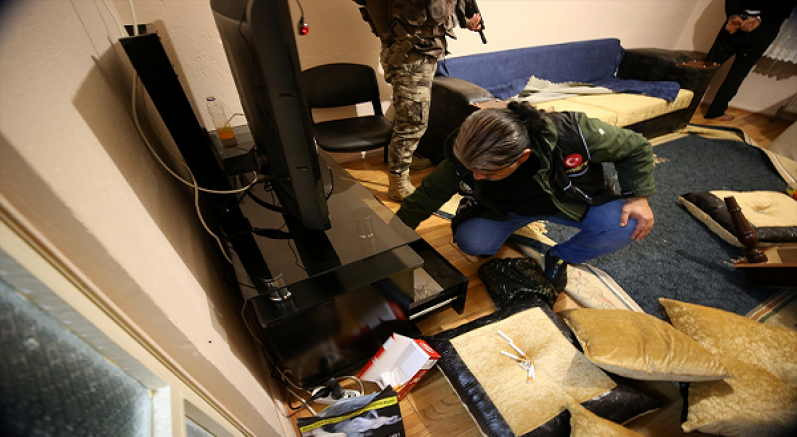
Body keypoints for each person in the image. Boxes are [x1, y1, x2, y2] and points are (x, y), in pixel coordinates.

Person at [396, 101, 656, 291]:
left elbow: (637, 147)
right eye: (471, 170)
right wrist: (391, 244)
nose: (475, 177)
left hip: (569, 200)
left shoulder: (575, 133)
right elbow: (426, 197)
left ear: (522, 157)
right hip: (506, 208)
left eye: (486, 172)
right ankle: (491, 218)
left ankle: (561, 256)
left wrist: (639, 198)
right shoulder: (471, 152)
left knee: (630, 224)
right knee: (473, 243)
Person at [352, 0, 483, 201]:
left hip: (418, 50)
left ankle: (405, 159)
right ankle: (398, 181)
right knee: (413, 119)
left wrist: (465, 19)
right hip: (410, 53)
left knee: (407, 112)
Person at [703, 0, 797, 120]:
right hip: (760, 28)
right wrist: (758, 19)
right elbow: (784, 8)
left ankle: (688, 101)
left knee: (709, 65)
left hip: (744, 22)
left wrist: (734, 15)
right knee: (736, 73)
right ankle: (715, 111)